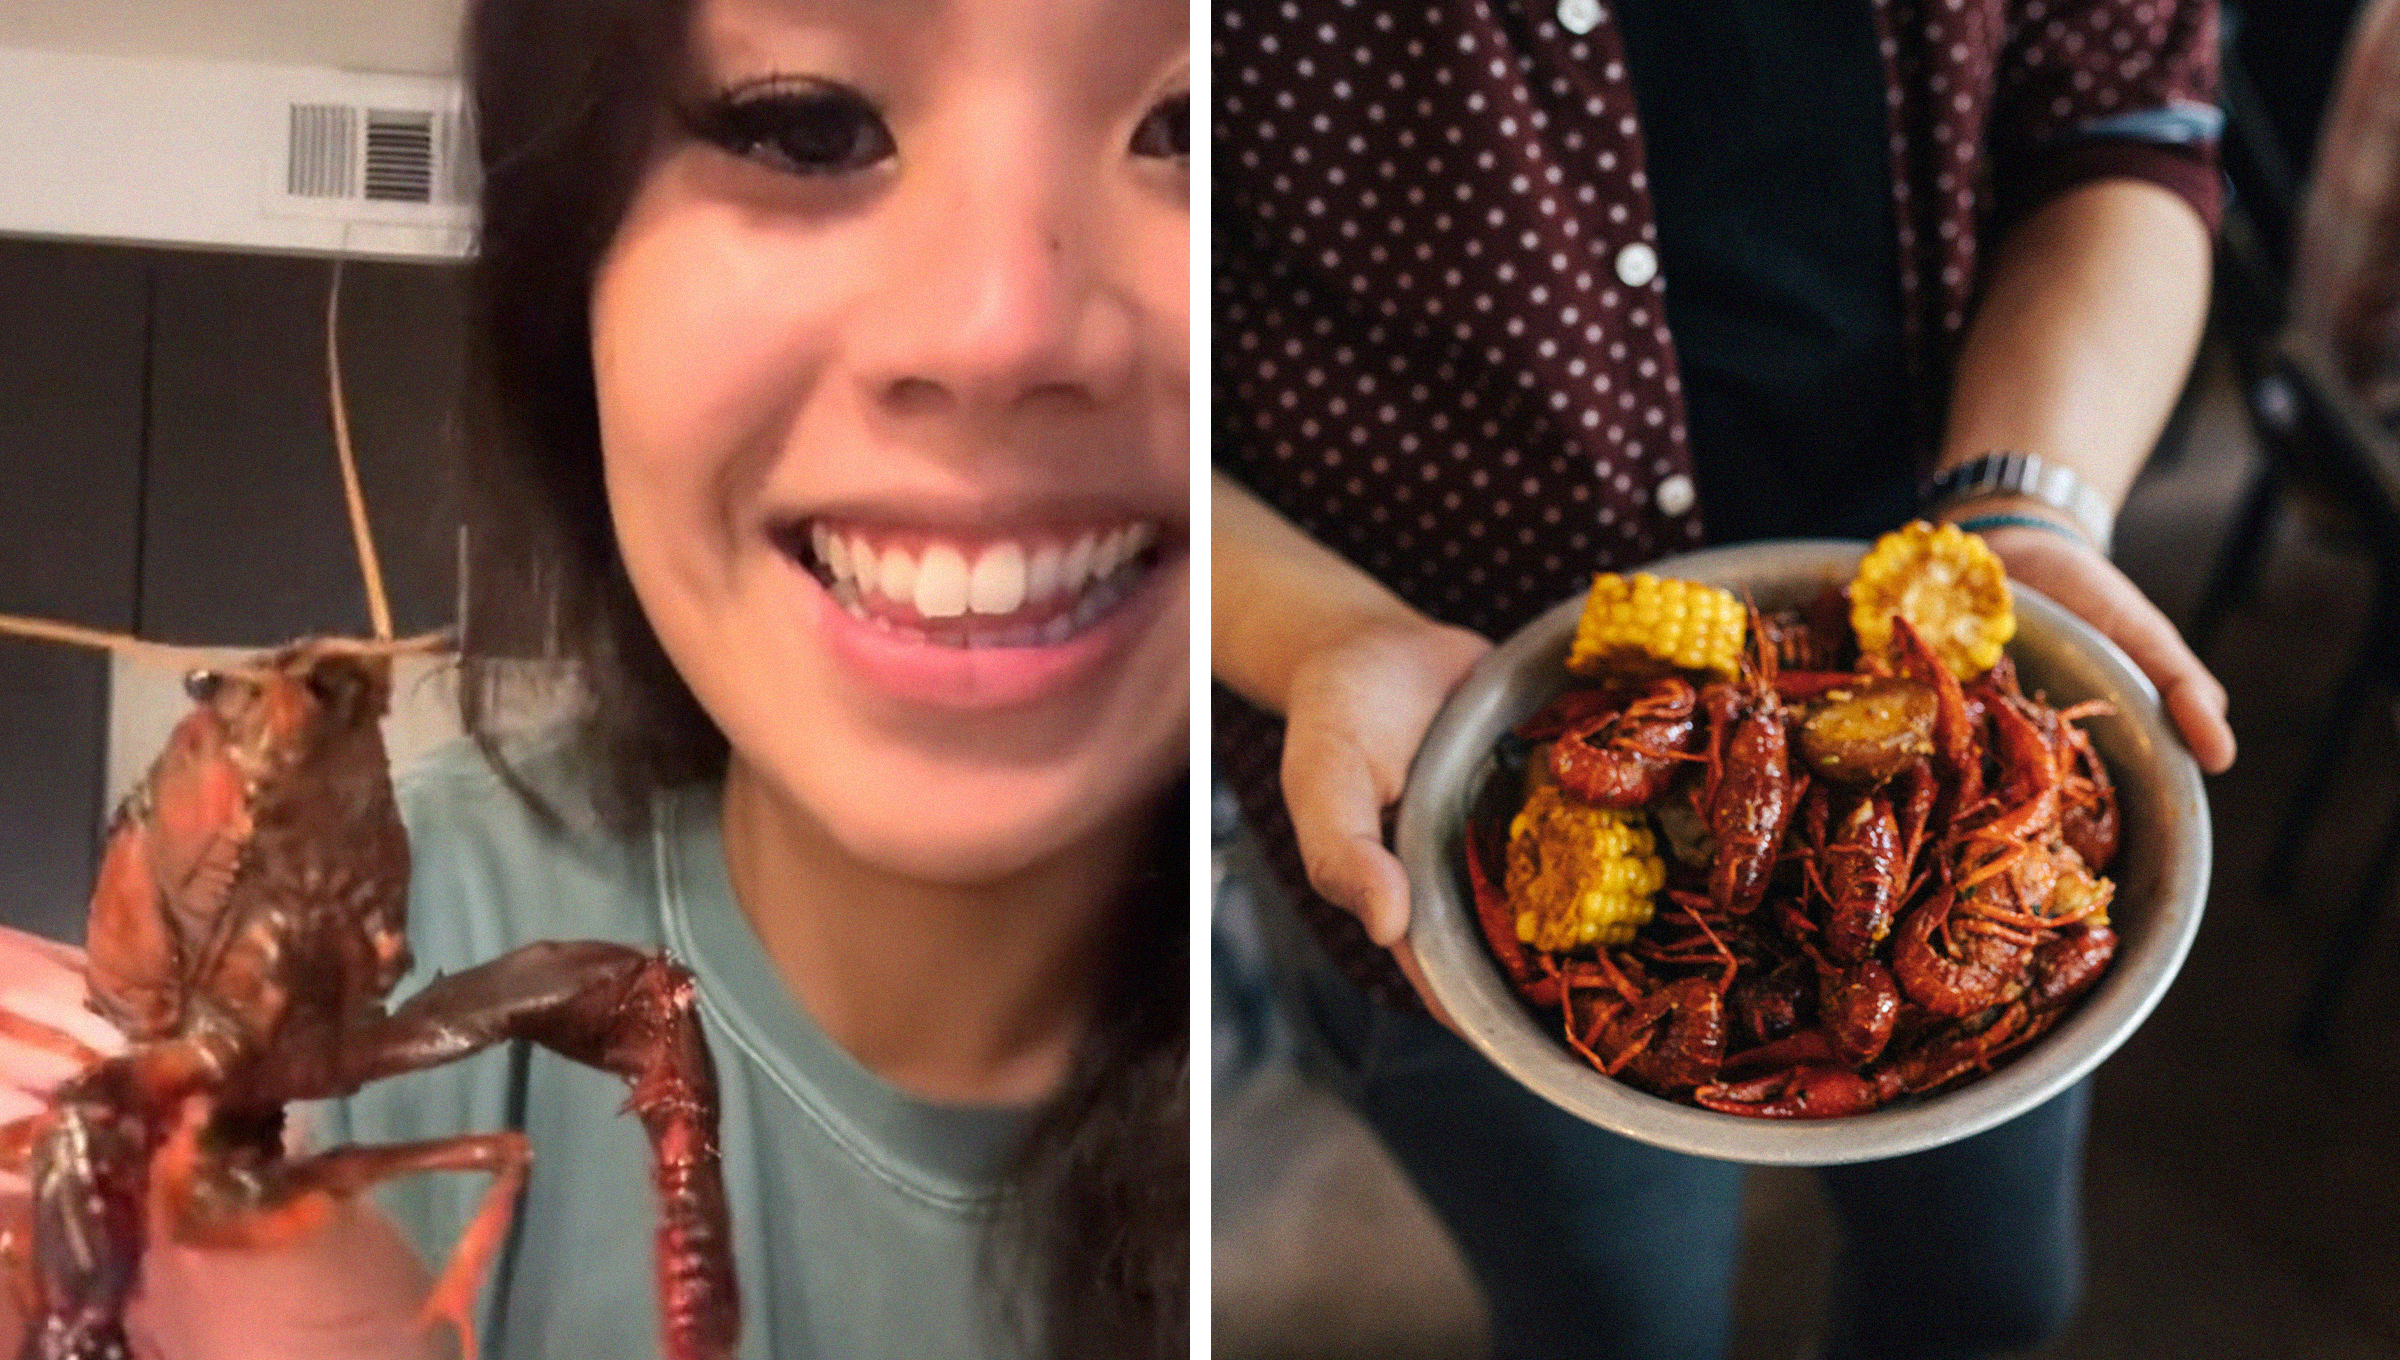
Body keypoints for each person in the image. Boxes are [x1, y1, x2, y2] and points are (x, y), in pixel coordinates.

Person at [0, 0, 1190, 1357]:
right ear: (573, 284)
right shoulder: (460, 888)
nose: (1001, 333)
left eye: (1191, 130)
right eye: (804, 125)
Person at [1214, 2, 2235, 1358]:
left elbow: (2124, 125)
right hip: (1410, 736)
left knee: (1992, 1296)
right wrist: (1322, 632)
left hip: (1922, 558)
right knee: (1618, 1330)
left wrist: (2026, 508)